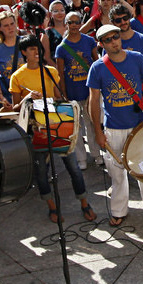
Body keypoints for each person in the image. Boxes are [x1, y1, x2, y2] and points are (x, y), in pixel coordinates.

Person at [87, 23, 143, 226]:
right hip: (113, 126)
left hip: (139, 123)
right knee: (116, 171)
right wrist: (98, 132)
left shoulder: (137, 58)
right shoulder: (97, 67)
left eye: (116, 37)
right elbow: (93, 102)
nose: (114, 42)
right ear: (101, 44)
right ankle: (119, 210)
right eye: (108, 39)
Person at [10, 35, 96, 224]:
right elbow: (15, 108)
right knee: (42, 172)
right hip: (36, 130)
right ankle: (52, 207)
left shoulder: (50, 71)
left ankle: (84, 202)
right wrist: (28, 98)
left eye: (38, 48)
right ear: (24, 52)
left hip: (57, 125)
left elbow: (59, 97)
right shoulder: (17, 77)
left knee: (73, 167)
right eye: (32, 49)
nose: (37, 52)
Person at [54, 10, 103, 169]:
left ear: (81, 23)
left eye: (77, 22)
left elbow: (97, 63)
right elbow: (60, 73)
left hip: (90, 90)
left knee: (92, 123)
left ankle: (96, 154)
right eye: (70, 22)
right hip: (72, 91)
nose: (74, 25)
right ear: (66, 24)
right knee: (77, 127)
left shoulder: (89, 41)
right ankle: (81, 158)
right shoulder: (61, 48)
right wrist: (64, 94)